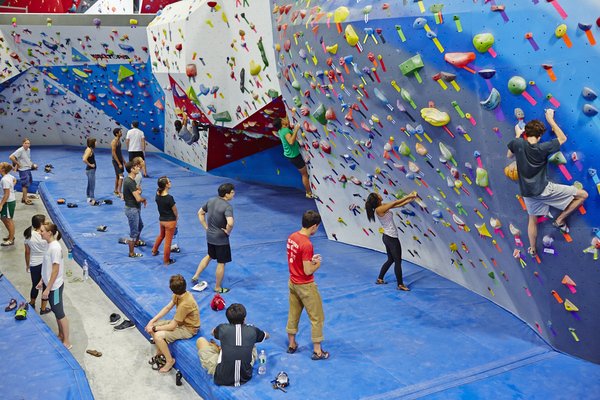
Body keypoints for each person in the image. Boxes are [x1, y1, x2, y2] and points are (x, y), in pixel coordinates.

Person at [507, 109, 588, 256]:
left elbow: (509, 155)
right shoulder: (543, 148)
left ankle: (532, 249)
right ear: (539, 136)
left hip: (527, 193)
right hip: (544, 189)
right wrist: (550, 119)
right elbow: (562, 139)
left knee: (532, 219)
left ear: (526, 133)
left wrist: (518, 136)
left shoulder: (518, 143)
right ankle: (560, 220)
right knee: (583, 195)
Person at [286, 210, 329, 360]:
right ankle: (318, 351)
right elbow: (307, 270)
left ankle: (292, 344)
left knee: (293, 313)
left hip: (293, 282)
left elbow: (297, 260)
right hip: (306, 285)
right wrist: (317, 264)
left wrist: (309, 259)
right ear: (314, 226)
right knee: (317, 317)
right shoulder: (307, 243)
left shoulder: (292, 237)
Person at [196, 303, 269, 386]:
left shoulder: (222, 328)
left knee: (201, 340)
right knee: (251, 342)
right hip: (245, 376)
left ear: (228, 319)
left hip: (222, 377)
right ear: (244, 318)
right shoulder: (252, 330)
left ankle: (219, 350)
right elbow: (266, 336)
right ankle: (222, 350)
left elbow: (212, 332)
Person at [145, 274, 200, 373]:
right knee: (154, 326)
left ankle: (170, 361)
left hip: (188, 328)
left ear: (172, 289)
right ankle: (160, 352)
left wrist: (154, 329)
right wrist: (152, 322)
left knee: (157, 335)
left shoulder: (185, 304)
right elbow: (167, 308)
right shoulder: (179, 295)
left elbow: (172, 326)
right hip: (181, 323)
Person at [365, 191, 418, 291]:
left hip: (387, 237)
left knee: (391, 260)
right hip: (391, 238)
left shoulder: (382, 206)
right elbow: (394, 202)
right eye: (378, 194)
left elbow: (398, 204)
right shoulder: (380, 209)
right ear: (377, 199)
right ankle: (400, 285)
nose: (380, 194)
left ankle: (380, 279)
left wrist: (410, 199)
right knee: (398, 261)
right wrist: (409, 195)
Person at [191, 183, 235, 293]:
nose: (234, 194)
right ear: (226, 194)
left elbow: (200, 213)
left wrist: (206, 227)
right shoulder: (227, 207)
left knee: (210, 255)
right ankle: (217, 287)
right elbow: (230, 223)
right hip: (221, 239)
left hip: (210, 236)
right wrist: (228, 232)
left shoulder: (211, 200)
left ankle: (196, 275)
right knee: (221, 263)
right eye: (232, 192)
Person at [38, 222, 71, 349]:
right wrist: (42, 280)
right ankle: (60, 334)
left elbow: (55, 270)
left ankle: (67, 340)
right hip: (49, 285)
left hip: (55, 288)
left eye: (42, 231)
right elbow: (47, 266)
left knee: (59, 313)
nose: (40, 233)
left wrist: (47, 288)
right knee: (56, 313)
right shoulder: (48, 245)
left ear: (49, 233)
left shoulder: (55, 248)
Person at [274, 117, 315, 199]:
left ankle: (308, 189)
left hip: (290, 154)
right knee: (304, 174)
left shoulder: (281, 130)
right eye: (283, 119)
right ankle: (308, 193)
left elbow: (287, 122)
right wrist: (296, 130)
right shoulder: (285, 131)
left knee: (304, 173)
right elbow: (291, 142)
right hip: (294, 156)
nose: (285, 119)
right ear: (282, 122)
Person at [24, 214, 49, 313]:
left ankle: (32, 302)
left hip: (34, 263)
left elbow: (27, 252)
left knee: (35, 285)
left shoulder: (28, 233)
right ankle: (43, 309)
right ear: (41, 224)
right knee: (46, 286)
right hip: (45, 263)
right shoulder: (46, 234)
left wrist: (27, 265)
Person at [151, 176, 178, 265]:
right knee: (168, 242)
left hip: (162, 220)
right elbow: (175, 210)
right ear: (166, 185)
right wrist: (176, 219)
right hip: (170, 222)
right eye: (169, 181)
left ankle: (154, 250)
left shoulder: (157, 194)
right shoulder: (169, 198)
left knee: (161, 235)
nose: (170, 182)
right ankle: (166, 260)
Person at [123, 161, 147, 258]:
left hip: (133, 208)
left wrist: (138, 191)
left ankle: (136, 242)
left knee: (140, 226)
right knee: (133, 232)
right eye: (136, 167)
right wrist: (143, 199)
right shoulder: (130, 182)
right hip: (132, 210)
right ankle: (131, 253)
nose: (139, 168)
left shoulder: (130, 181)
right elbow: (138, 198)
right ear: (132, 169)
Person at [9, 138, 37, 205]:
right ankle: (25, 199)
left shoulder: (28, 150)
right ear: (23, 143)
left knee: (28, 183)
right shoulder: (20, 150)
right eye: (26, 143)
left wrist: (32, 165)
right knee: (25, 185)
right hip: (23, 170)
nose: (27, 145)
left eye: (28, 143)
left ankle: (24, 197)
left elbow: (27, 158)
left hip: (28, 168)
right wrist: (18, 164)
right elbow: (11, 157)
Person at [0, 162, 17, 246]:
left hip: (7, 202)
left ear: (3, 169)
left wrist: (1, 204)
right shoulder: (9, 176)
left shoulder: (5, 179)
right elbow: (15, 180)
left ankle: (11, 239)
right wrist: (12, 186)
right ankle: (11, 235)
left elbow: (6, 194)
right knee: (3, 218)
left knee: (9, 220)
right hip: (7, 201)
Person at [111, 127, 125, 197]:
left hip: (120, 161)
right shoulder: (114, 142)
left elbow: (119, 152)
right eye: (120, 132)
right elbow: (114, 153)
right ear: (116, 134)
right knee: (121, 176)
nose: (121, 133)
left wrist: (124, 161)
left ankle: (115, 190)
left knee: (117, 176)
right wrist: (119, 163)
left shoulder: (119, 141)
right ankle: (119, 192)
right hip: (116, 161)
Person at [82, 138, 97, 204]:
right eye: (95, 142)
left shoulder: (89, 149)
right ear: (92, 143)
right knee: (92, 185)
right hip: (90, 170)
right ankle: (92, 199)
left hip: (90, 170)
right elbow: (84, 159)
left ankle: (88, 197)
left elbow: (84, 156)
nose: (96, 143)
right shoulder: (89, 150)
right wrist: (90, 165)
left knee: (89, 184)